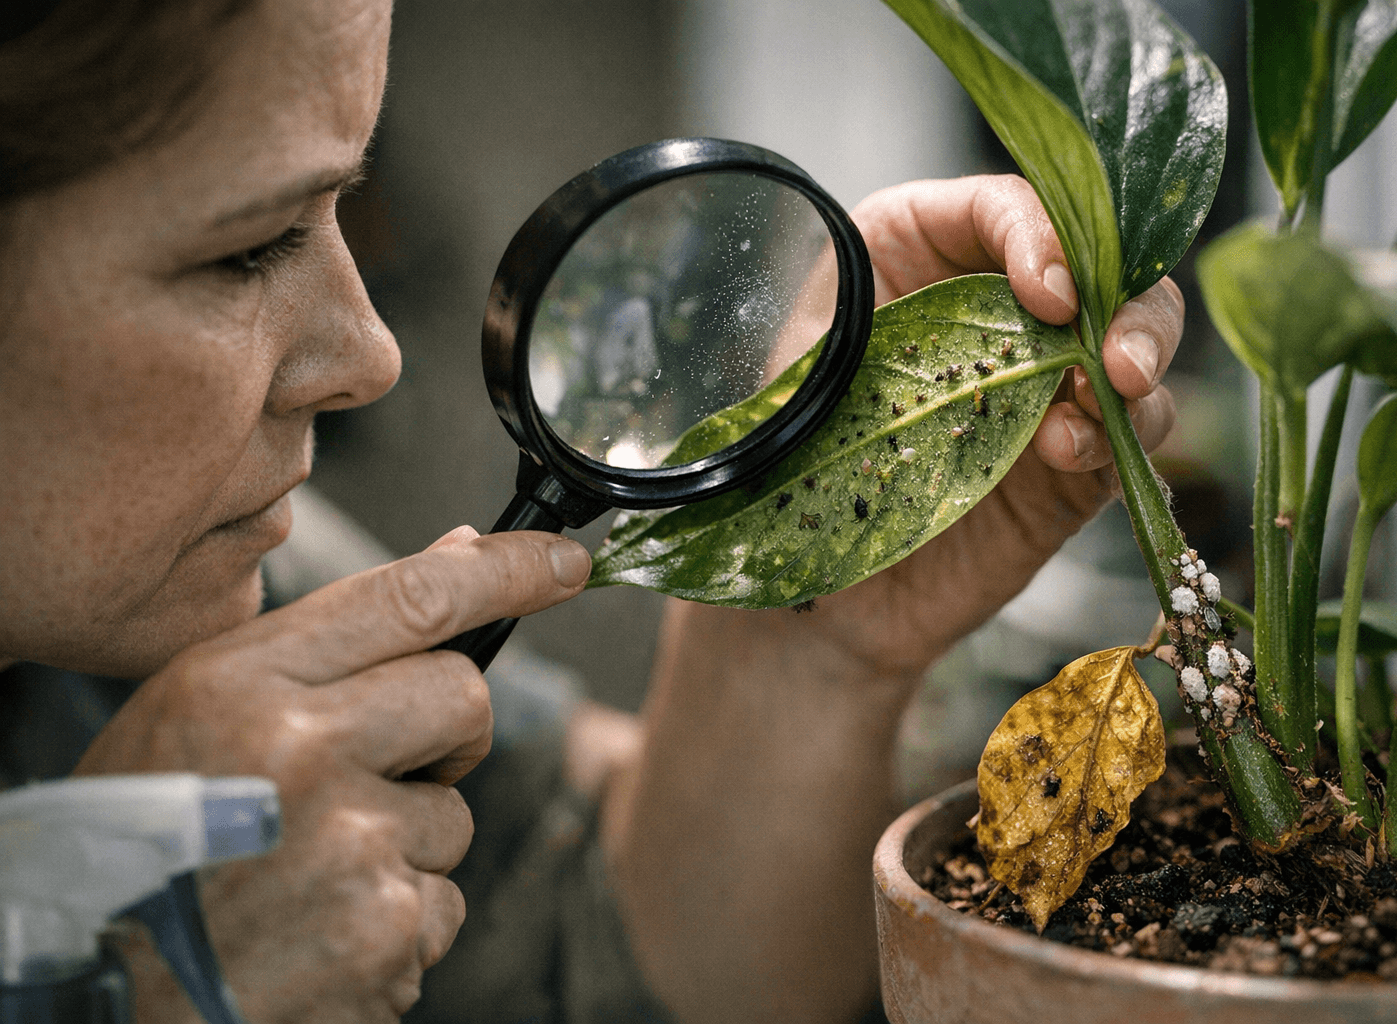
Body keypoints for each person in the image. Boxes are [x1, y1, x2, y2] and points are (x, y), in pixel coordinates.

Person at [0, 0, 1185, 1021]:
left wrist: (810, 639)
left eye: (343, 218)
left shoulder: (162, 614)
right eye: (246, 249)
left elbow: (615, 930)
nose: (370, 356)